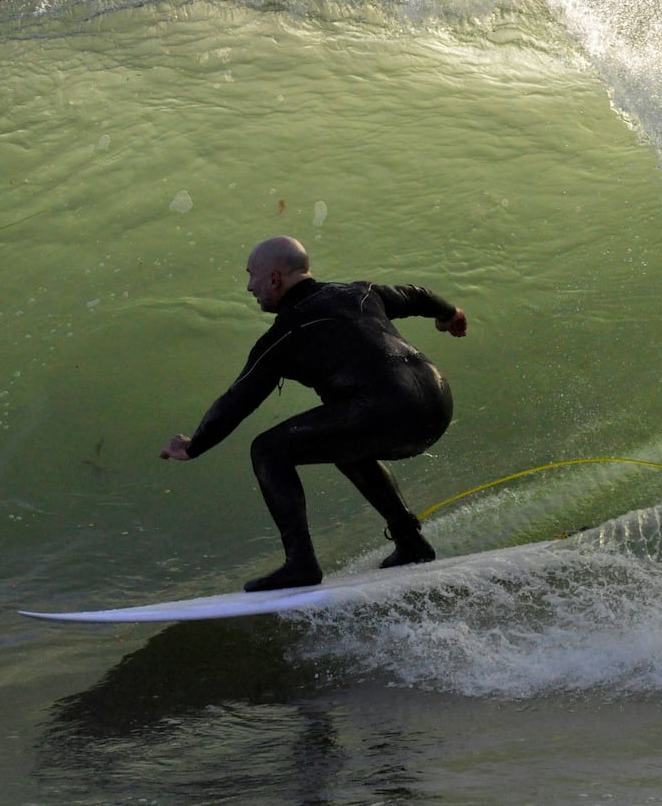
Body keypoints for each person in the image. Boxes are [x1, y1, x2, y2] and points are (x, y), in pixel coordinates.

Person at [159, 235, 469, 592]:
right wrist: (451, 314)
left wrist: (194, 445)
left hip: (385, 411)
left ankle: (300, 563)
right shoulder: (360, 292)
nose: (249, 287)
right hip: (437, 399)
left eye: (252, 276)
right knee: (343, 441)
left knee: (268, 449)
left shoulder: (284, 334)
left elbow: (237, 400)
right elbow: (417, 295)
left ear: (274, 278)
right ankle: (410, 541)